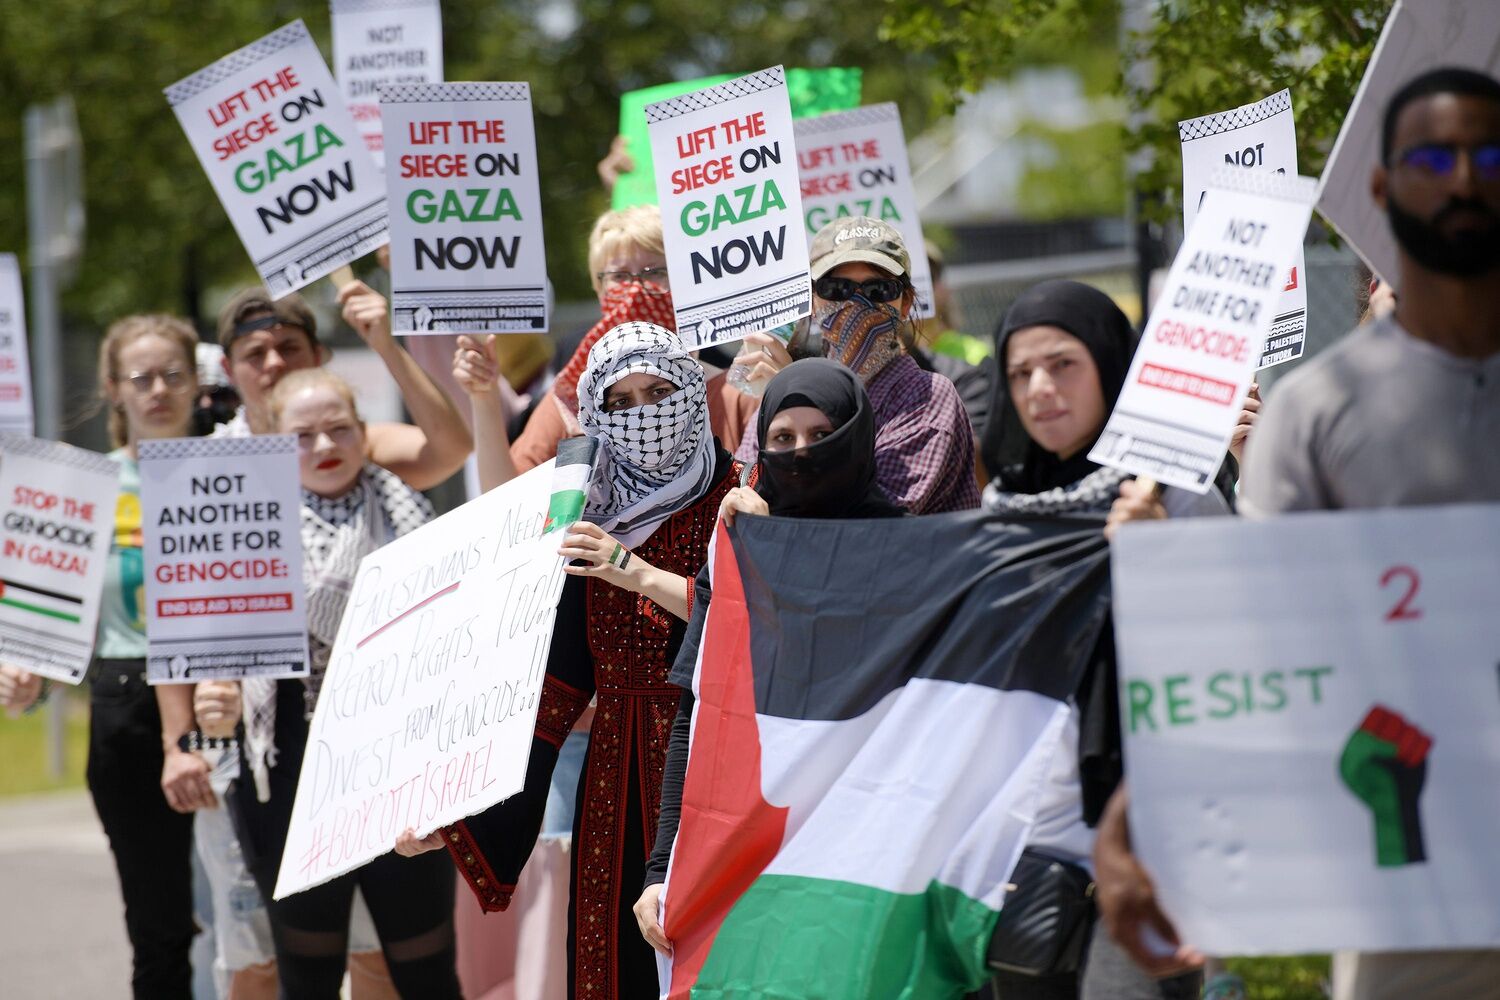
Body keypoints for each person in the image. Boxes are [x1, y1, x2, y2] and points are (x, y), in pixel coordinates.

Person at [1094, 67, 1500, 1000]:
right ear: (1382, 190)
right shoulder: (1317, 413)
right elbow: (1263, 642)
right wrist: (1141, 812)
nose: (1466, 180)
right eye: (1435, 157)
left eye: (1489, 154)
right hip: (1421, 879)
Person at [399, 321, 742, 1000]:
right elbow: (550, 692)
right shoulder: (587, 510)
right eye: (621, 401)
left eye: (659, 390)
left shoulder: (735, 493)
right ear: (596, 412)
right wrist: (459, 815)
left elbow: (747, 628)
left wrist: (633, 572)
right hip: (614, 780)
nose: (643, 414)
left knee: (721, 962)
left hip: (715, 767)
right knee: (616, 968)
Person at [982, 279, 1249, 1000]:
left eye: (1062, 364)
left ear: (1109, 364)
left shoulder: (1172, 495)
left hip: (1156, 841)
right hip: (1036, 846)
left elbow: (1240, 654)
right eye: (1020, 373)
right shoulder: (1001, 508)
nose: (1040, 388)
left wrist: (1160, 560)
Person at [632, 357, 905, 954]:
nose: (801, 452)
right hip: (762, 844)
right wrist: (661, 870)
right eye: (782, 438)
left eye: (820, 436)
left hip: (868, 849)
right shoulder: (734, 550)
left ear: (855, 437)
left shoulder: (903, 546)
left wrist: (777, 551)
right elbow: (697, 717)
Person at [222, 368, 460, 999]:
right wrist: (208, 704)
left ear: (363, 433)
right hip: (289, 761)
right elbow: (212, 645)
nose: (325, 445)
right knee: (308, 970)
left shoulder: (411, 511)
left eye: (339, 429)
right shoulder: (241, 526)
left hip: (400, 757)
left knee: (426, 963)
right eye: (303, 435)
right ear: (272, 442)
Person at [0, 315, 203, 997]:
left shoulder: (241, 471)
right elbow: (60, 632)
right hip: (127, 709)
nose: (159, 391)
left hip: (232, 701)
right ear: (114, 389)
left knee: (260, 922)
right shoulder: (82, 491)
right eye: (141, 378)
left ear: (198, 381)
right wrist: (33, 682)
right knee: (160, 926)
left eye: (173, 374)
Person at [735, 217, 981, 514]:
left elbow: (871, 522)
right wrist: (790, 398)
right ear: (812, 301)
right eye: (836, 288)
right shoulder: (783, 394)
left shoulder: (926, 396)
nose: (857, 304)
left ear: (905, 303)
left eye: (879, 290)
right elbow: (741, 495)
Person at [508, 205, 757, 469]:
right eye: (620, 276)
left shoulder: (734, 396)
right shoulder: (573, 401)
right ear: (599, 289)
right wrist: (484, 397)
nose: (637, 290)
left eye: (656, 273)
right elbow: (508, 493)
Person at [213, 284, 471, 490]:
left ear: (317, 356)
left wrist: (386, 346)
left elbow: (452, 452)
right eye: (255, 354)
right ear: (228, 369)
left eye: (289, 348)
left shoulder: (351, 445)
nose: (275, 363)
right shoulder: (208, 466)